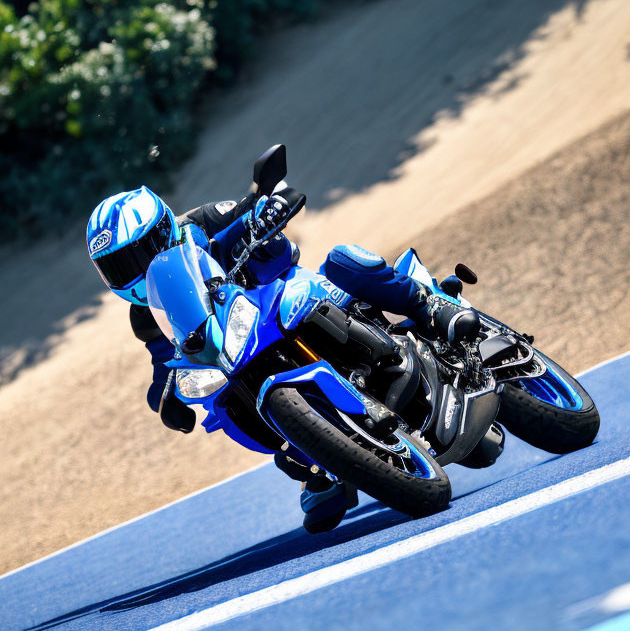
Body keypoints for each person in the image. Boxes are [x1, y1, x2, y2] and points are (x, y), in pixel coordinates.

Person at [86, 185, 478, 531]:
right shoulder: (146, 316)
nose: (132, 273)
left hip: (278, 300)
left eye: (135, 257)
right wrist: (166, 396)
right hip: (239, 354)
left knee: (343, 261)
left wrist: (268, 209)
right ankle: (320, 459)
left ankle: (431, 306)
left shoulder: (203, 221)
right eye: (116, 268)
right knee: (225, 404)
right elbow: (163, 364)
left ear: (161, 232)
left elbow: (255, 205)